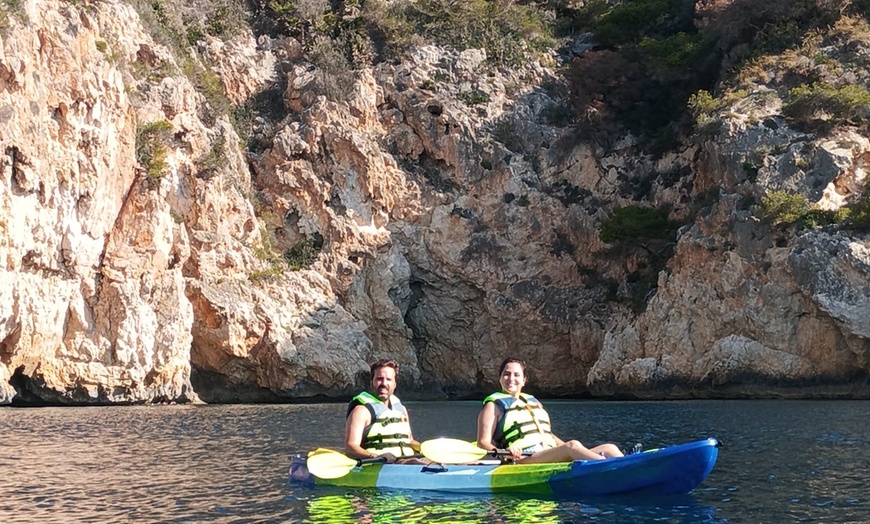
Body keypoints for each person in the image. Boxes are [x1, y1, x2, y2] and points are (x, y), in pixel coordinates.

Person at [476, 357, 624, 464]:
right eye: (506, 374)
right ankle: (612, 468)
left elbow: (549, 435)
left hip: (547, 453)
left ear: (524, 380)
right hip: (525, 458)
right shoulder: (493, 406)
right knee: (572, 445)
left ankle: (627, 466)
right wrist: (507, 452)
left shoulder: (532, 401)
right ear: (500, 378)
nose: (511, 378)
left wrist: (572, 451)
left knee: (609, 448)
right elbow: (483, 442)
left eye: (516, 375)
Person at [345, 359, 422, 463]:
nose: (384, 383)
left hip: (405, 461)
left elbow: (409, 441)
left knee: (437, 463)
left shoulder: (401, 410)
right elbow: (350, 448)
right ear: (372, 382)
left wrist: (424, 448)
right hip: (378, 464)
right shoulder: (361, 411)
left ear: (395, 384)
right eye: (379, 379)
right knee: (415, 463)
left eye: (389, 379)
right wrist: (375, 456)